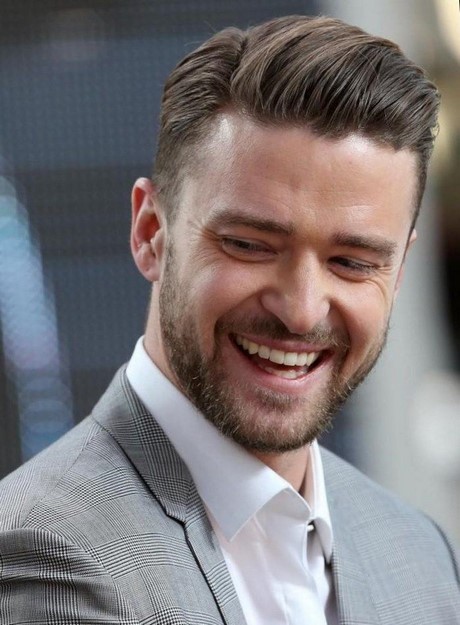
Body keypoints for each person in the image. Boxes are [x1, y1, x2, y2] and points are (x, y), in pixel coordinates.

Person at [0, 14, 458, 625]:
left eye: (352, 263)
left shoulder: (420, 554)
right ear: (150, 232)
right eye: (249, 245)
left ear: (397, 274)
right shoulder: (47, 555)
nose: (301, 310)